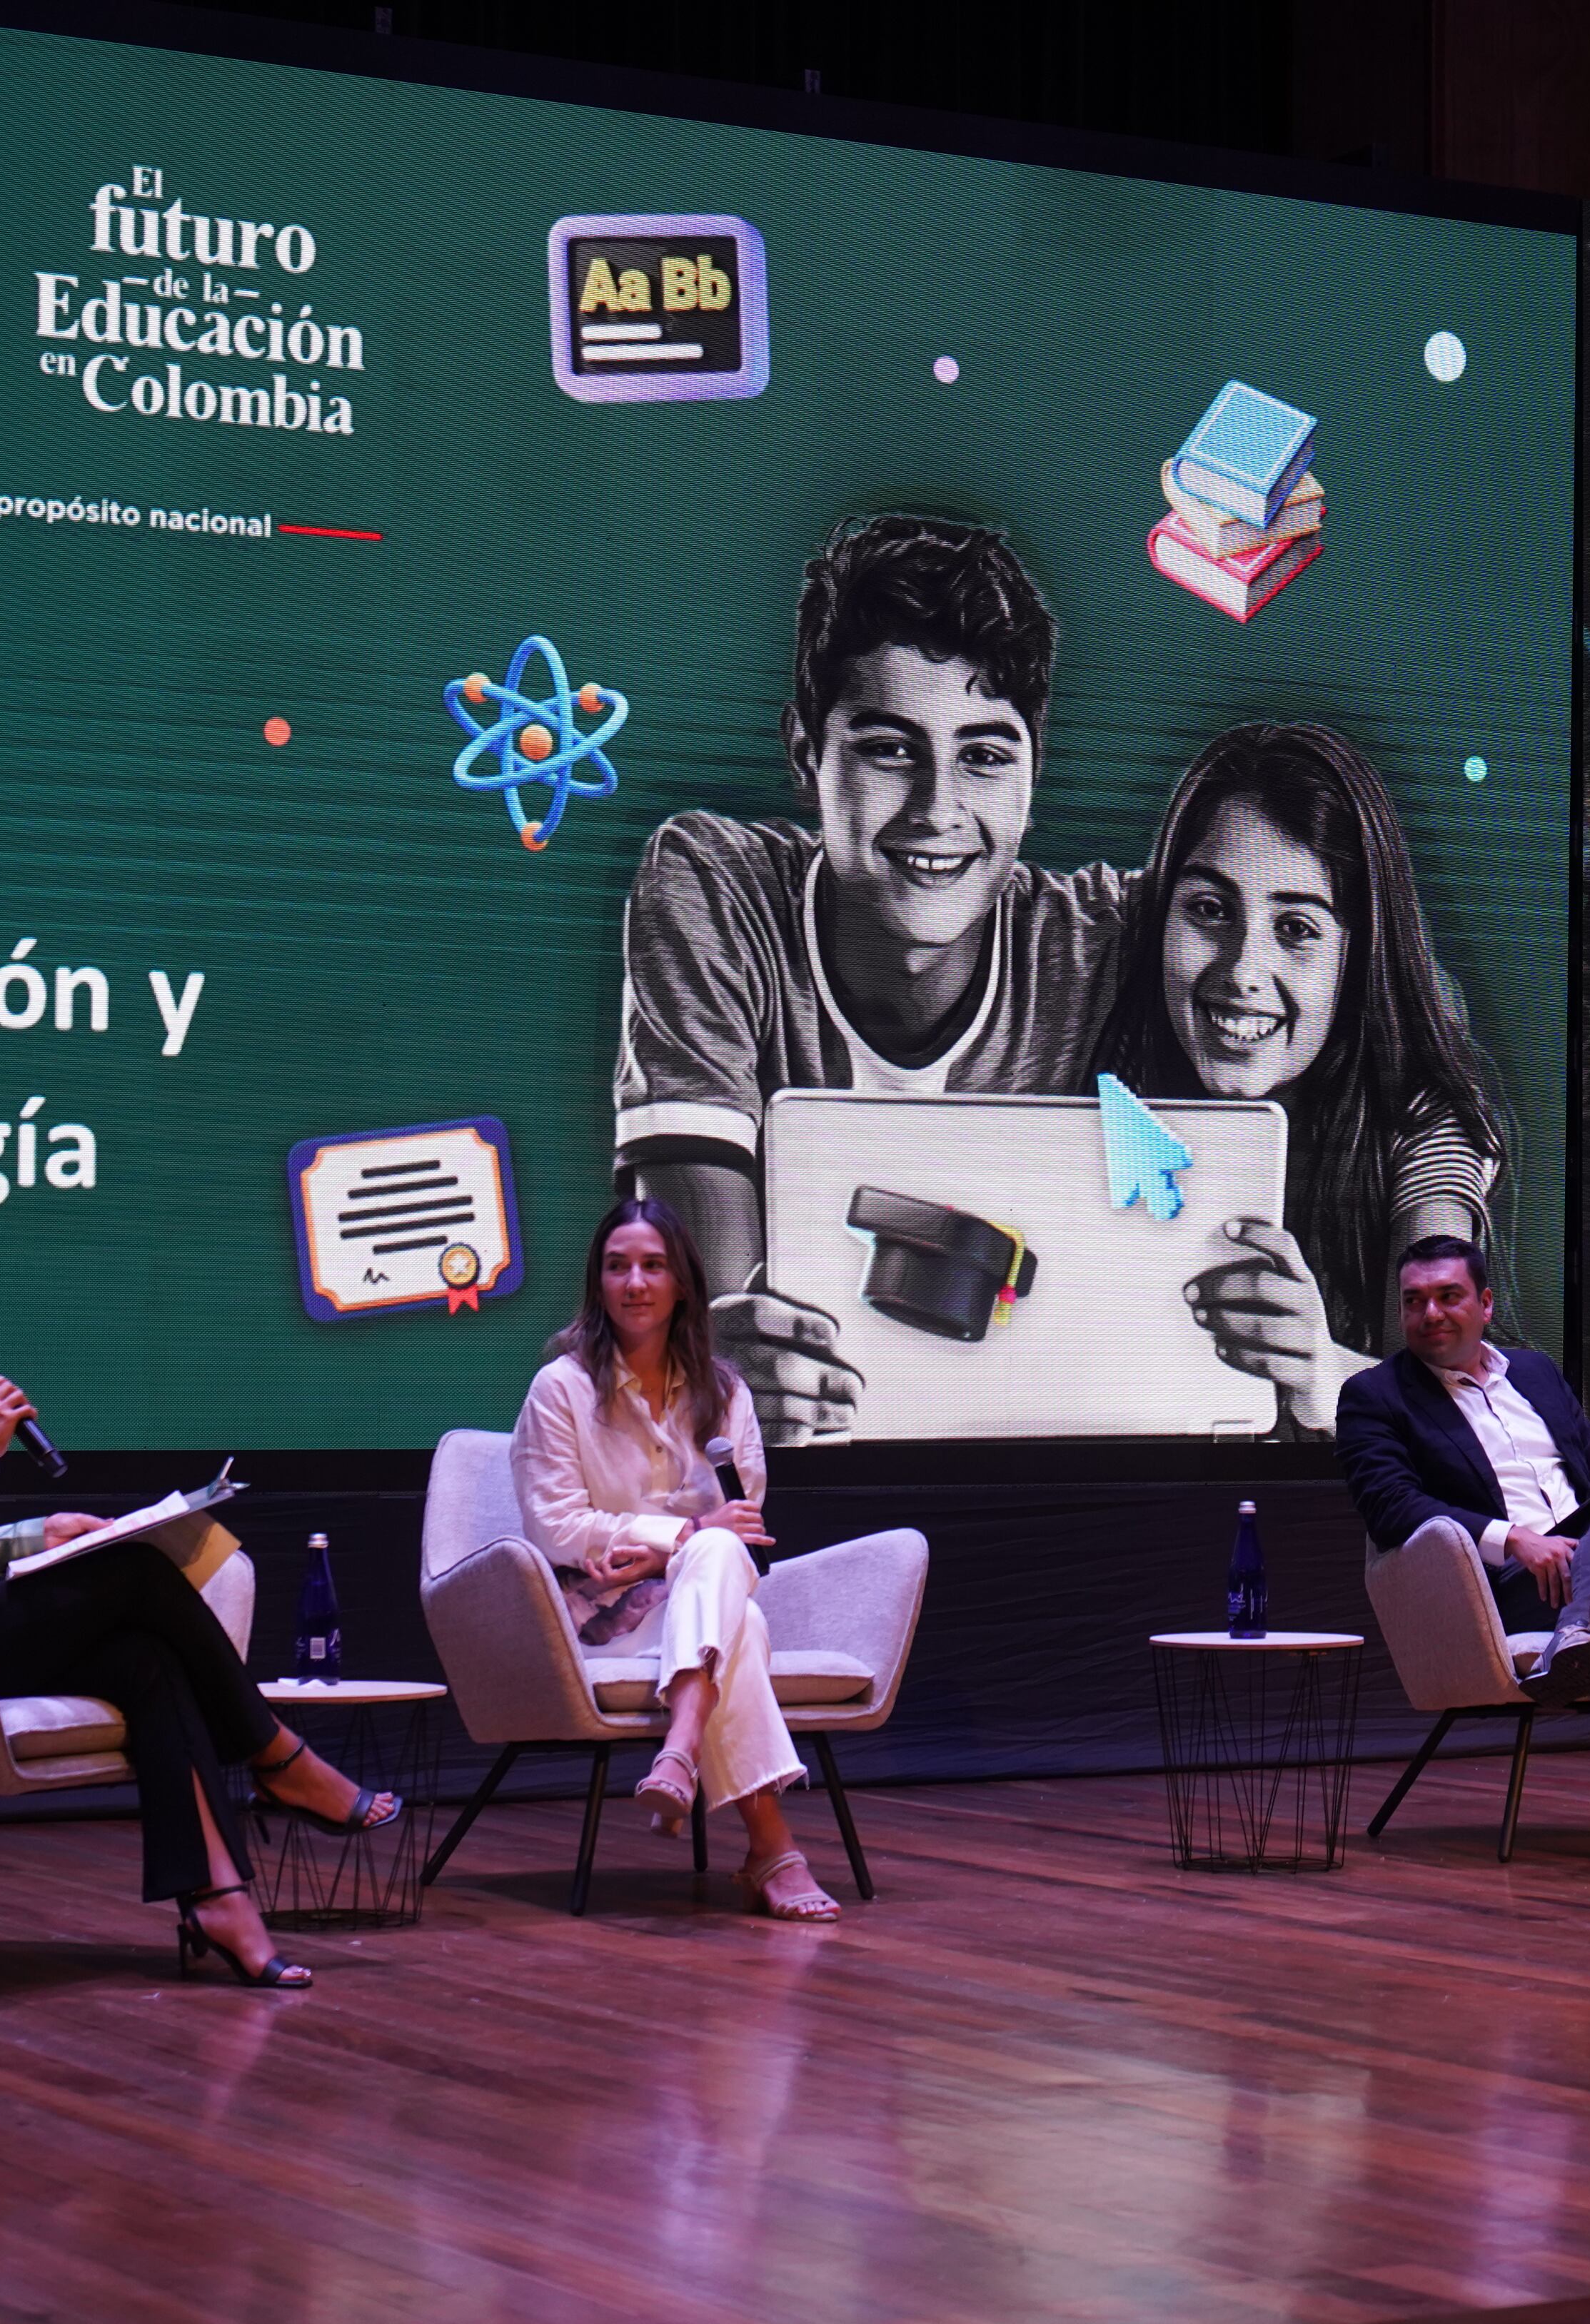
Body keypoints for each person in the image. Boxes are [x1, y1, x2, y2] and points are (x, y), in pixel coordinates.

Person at [0, 1198, 393, 1989]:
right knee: (133, 1574)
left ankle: (220, 1899)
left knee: (144, 1659)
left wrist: (40, 1534)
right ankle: (276, 1755)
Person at [613, 513, 1138, 1443]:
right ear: (805, 754)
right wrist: (726, 1355)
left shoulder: (1096, 937)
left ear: (1034, 774)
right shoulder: (715, 884)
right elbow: (725, 1323)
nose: (939, 810)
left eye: (984, 757)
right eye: (891, 749)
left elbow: (1383, 1000)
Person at [1091, 721, 1506, 1435]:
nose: (1242, 971)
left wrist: (1325, 1372)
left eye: (1296, 929)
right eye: (1210, 910)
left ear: (1355, 956)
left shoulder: (1420, 1123)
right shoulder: (1117, 1053)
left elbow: (1456, 1403)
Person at [1335, 1235, 1590, 1871]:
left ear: (1486, 1303)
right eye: (1414, 1301)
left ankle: (1580, 1632)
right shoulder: (1375, 1395)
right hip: (1501, 1584)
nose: (1430, 1313)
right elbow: (1388, 1505)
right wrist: (1511, 1536)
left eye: (1448, 1296)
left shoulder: (1535, 1373)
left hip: (1585, 1571)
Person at [509, 1196, 841, 1922]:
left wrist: (665, 1548)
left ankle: (681, 1754)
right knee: (738, 1615)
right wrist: (686, 1537)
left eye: (653, 1266)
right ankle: (767, 1846)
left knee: (722, 1562)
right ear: (598, 1283)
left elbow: (742, 1522)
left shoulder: (725, 1394)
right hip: (602, 1618)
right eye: (617, 1266)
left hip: (693, 1603)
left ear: (682, 1282)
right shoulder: (560, 1388)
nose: (634, 1283)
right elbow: (556, 1526)